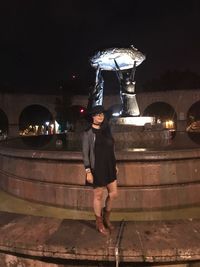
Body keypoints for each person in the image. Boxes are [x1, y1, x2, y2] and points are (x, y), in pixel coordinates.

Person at [82, 105, 118, 235]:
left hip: (109, 166)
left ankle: (106, 218)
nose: (100, 116)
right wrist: (88, 171)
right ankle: (99, 223)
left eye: (102, 114)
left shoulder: (106, 130)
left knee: (113, 194)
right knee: (98, 195)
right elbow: (85, 153)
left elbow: (111, 149)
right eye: (97, 114)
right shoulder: (88, 133)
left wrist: (114, 164)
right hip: (96, 167)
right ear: (92, 117)